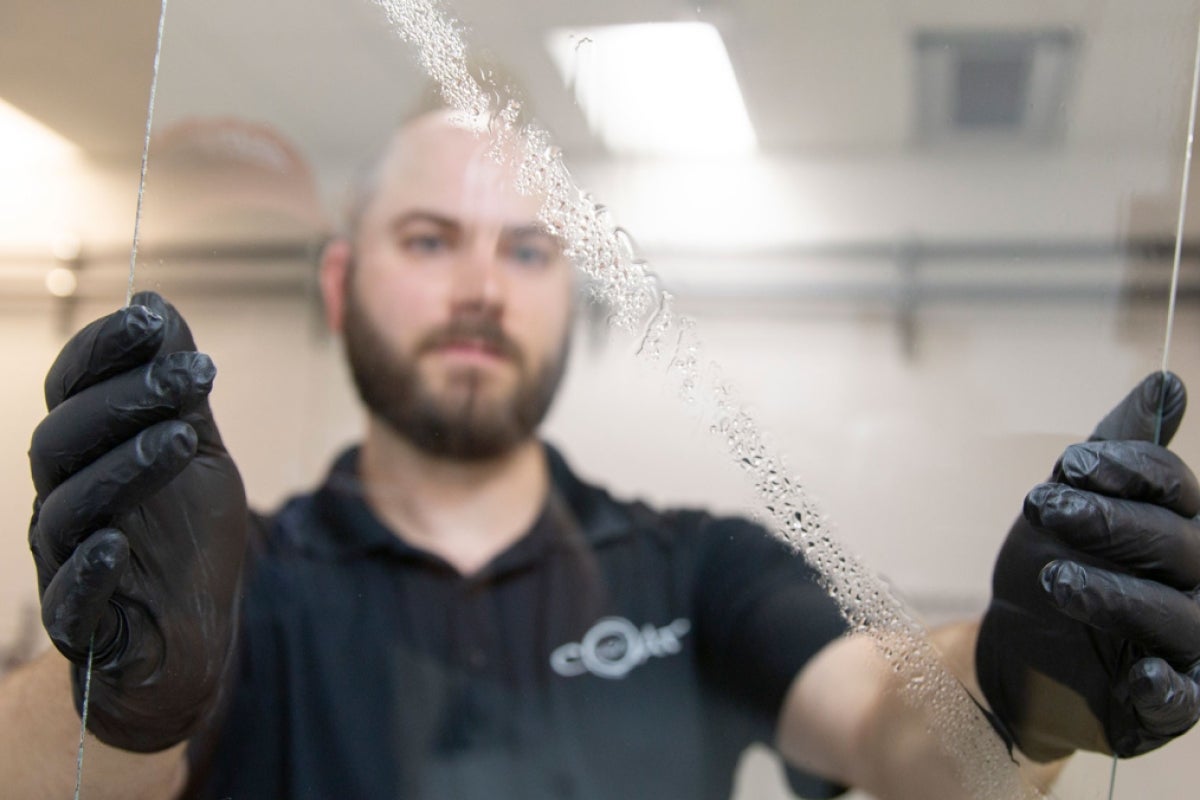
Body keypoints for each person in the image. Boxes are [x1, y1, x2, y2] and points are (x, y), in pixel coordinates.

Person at [2, 109, 1199, 799]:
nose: (480, 284)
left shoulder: (696, 568)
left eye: (528, 249)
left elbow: (889, 709)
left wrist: (1016, 686)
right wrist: (118, 689)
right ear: (340, 278)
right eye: (431, 238)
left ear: (570, 293)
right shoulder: (236, 587)